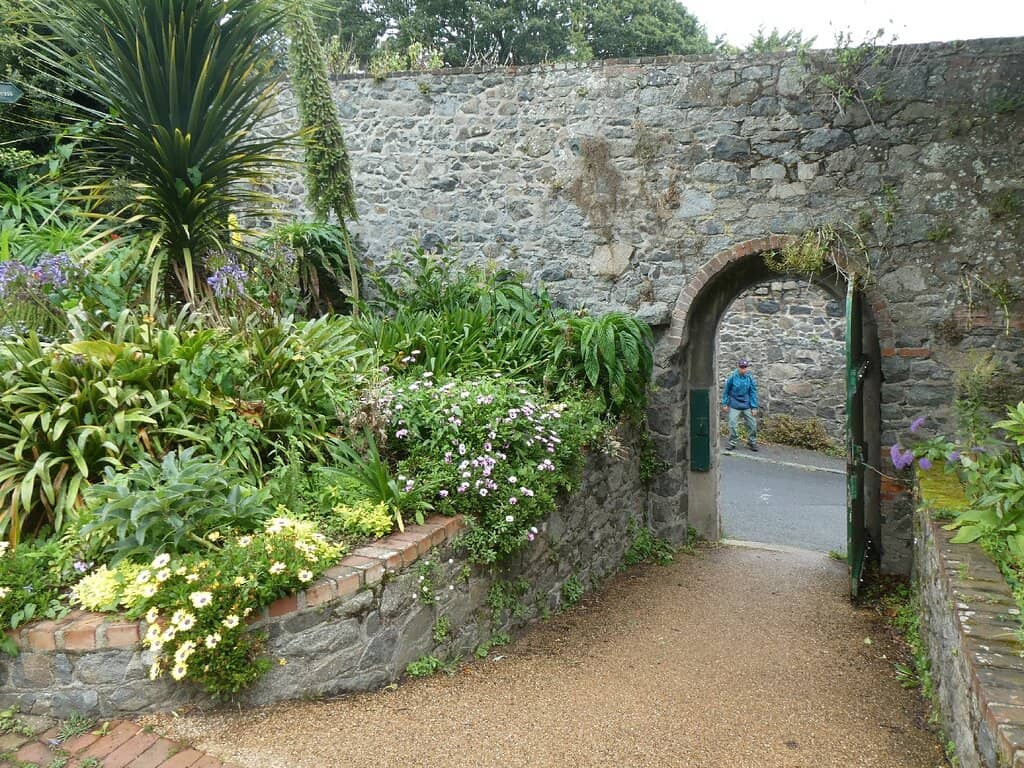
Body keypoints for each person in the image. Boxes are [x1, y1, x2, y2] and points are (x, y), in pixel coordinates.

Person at [721, 358, 759, 451]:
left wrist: (754, 407)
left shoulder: (750, 378)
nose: (743, 369)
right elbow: (726, 391)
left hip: (746, 404)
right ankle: (732, 442)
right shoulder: (732, 377)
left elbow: (753, 392)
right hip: (735, 404)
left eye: (745, 367)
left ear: (747, 368)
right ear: (738, 367)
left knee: (752, 424)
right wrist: (725, 403)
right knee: (732, 424)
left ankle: (752, 442)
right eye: (742, 367)